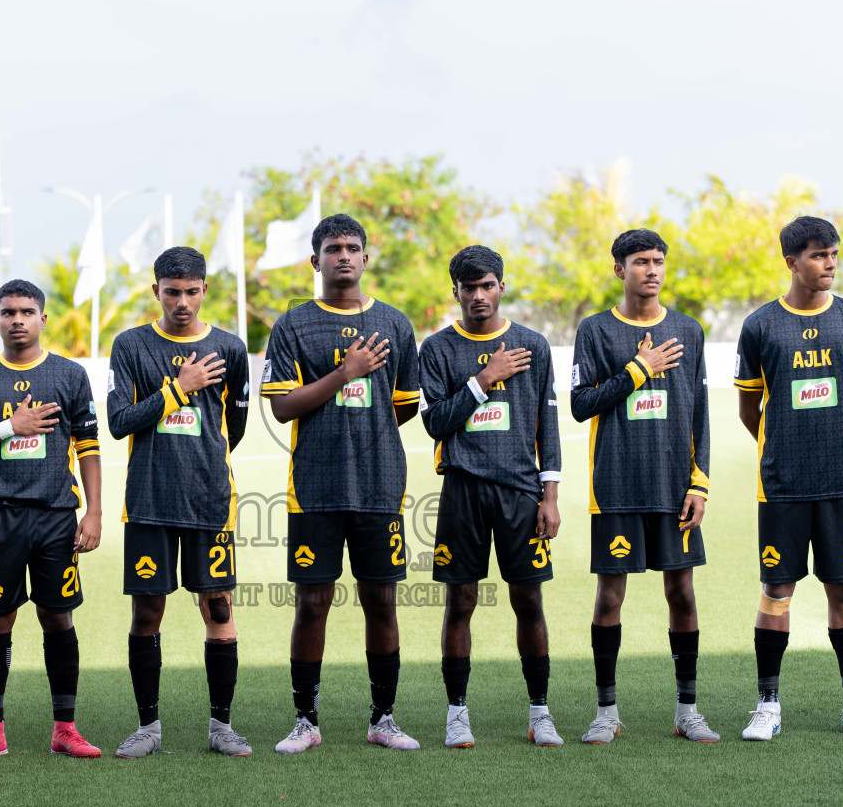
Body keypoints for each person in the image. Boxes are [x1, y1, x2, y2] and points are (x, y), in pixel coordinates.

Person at [261, 213, 422, 753]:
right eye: (333, 248)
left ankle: (384, 719)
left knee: (382, 602)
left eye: (354, 247)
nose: (345, 256)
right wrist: (344, 374)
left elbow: (402, 408)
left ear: (366, 258)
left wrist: (363, 428)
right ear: (316, 260)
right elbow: (283, 407)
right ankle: (305, 720)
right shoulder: (294, 324)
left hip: (380, 487)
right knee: (312, 603)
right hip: (315, 487)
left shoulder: (397, 325)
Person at [732, 216, 843, 741]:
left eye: (833, 254)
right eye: (819, 255)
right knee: (776, 590)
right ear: (792, 262)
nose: (829, 264)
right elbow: (748, 409)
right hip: (781, 484)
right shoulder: (760, 326)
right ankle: (767, 705)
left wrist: (837, 435)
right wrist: (789, 441)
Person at [0, 279, 103, 760]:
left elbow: (89, 448)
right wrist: (13, 426)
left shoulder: (70, 375)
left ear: (43, 319)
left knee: (58, 618)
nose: (17, 320)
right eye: (8, 312)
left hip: (56, 516)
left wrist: (93, 511)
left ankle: (66, 728)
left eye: (27, 311)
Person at [570, 229, 717, 744]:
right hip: (615, 486)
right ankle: (606, 711)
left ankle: (688, 709)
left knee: (682, 591)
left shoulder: (688, 330)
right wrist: (638, 369)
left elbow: (700, 414)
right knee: (610, 597)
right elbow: (580, 404)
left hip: (675, 487)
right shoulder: (595, 331)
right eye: (640, 262)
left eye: (657, 261)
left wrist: (699, 484)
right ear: (619, 270)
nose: (651, 270)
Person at [106, 247, 251, 758]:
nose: (182, 302)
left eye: (191, 292)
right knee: (148, 613)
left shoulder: (231, 348)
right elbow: (119, 421)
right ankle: (148, 727)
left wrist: (203, 455)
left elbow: (233, 427)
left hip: (210, 500)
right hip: (148, 500)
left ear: (205, 290)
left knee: (219, 608)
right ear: (156, 291)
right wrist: (178, 389)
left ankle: (221, 727)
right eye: (172, 292)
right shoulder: (131, 346)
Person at [419, 245, 562, 748]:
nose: (478, 296)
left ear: (502, 286)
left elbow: (549, 424)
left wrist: (551, 495)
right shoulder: (436, 349)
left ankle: (540, 712)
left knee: (529, 599)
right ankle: (457, 712)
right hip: (462, 489)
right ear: (454, 291)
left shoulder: (533, 344)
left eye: (487, 286)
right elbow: (435, 421)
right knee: (460, 600)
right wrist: (483, 380)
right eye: (469, 288)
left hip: (522, 493)